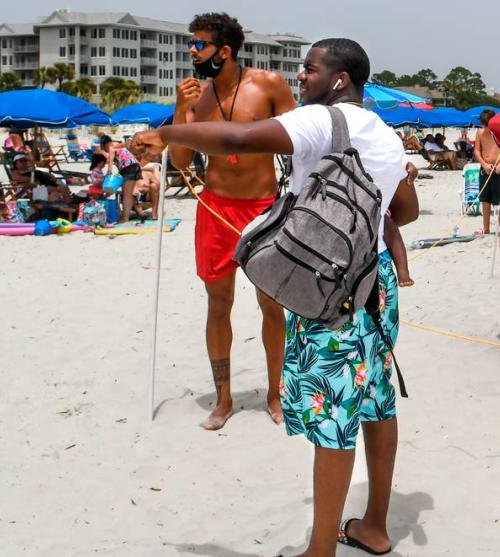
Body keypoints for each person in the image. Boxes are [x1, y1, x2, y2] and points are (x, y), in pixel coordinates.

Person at [130, 37, 419, 557]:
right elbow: (406, 211)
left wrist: (166, 132)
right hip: (377, 282)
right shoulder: (387, 135)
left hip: (333, 290)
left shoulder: (320, 120)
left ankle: (319, 551)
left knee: (334, 420)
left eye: (310, 69)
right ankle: (374, 526)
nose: (301, 78)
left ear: (339, 80)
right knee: (376, 403)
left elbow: (241, 135)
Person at [170, 12, 297, 429]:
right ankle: (223, 400)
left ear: (224, 51)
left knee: (271, 305)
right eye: (191, 43)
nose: (192, 51)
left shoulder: (268, 85)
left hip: (263, 209)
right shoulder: (198, 99)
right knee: (218, 303)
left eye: (199, 44)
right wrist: (180, 109)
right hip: (215, 208)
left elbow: (302, 138)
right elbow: (182, 160)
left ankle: (276, 395)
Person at [474, 109, 500, 235]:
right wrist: (484, 164)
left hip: (499, 168)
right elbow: (477, 151)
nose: (486, 127)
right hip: (485, 168)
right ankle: (486, 228)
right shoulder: (480, 132)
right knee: (485, 199)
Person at [384, 162, 418, 287]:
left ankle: (403, 271)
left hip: (380, 206)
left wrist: (407, 164)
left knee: (390, 229)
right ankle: (403, 271)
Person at [99, 136, 144, 222]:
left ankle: (125, 218)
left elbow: (111, 161)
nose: (105, 150)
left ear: (106, 144)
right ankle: (125, 216)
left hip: (129, 168)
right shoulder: (118, 145)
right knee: (127, 193)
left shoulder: (112, 146)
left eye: (104, 148)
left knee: (127, 195)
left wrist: (109, 172)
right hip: (133, 167)